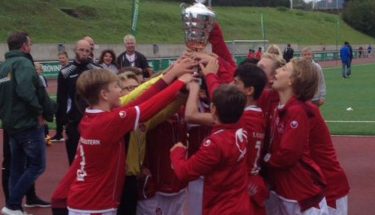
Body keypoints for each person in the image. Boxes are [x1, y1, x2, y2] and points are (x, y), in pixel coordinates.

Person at [52, 63, 193, 215]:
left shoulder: (94, 117)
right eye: (116, 87)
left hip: (87, 201)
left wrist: (170, 76)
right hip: (94, 205)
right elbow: (149, 107)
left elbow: (141, 100)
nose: (121, 91)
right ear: (105, 94)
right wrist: (180, 82)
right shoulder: (108, 122)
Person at [171, 84, 251, 215]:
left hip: (222, 208)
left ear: (213, 108)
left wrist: (177, 152)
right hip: (239, 203)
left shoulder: (215, 143)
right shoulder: (241, 130)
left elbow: (185, 172)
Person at [264, 58, 328, 215]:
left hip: (302, 195)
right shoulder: (280, 108)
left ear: (293, 80)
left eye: (284, 69)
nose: (277, 71)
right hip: (287, 192)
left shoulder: (296, 111)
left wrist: (265, 161)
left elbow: (288, 154)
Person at [0, 32, 55, 215]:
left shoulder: (4, 66)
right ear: (24, 46)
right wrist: (39, 111)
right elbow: (25, 91)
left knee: (17, 166)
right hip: (27, 124)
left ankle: (14, 207)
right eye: (30, 44)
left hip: (11, 125)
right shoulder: (23, 63)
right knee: (37, 166)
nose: (30, 47)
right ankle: (12, 204)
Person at [56, 39, 102, 165]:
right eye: (81, 50)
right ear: (75, 50)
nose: (84, 53)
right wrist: (62, 123)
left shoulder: (97, 70)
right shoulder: (65, 72)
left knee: (93, 158)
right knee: (74, 160)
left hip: (94, 120)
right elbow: (61, 98)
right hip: (73, 121)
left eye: (87, 50)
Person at [51, 51, 70, 142]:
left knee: (67, 116)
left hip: (67, 97)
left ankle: (70, 134)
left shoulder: (70, 69)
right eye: (60, 58)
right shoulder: (61, 69)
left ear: (67, 58)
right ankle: (59, 134)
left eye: (63, 58)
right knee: (58, 114)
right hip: (60, 96)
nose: (61, 60)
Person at [35, 62, 52, 146]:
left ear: (41, 71)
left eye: (37, 69)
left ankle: (47, 138)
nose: (36, 71)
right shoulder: (35, 78)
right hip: (38, 102)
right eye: (34, 69)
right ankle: (42, 138)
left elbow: (44, 91)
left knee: (43, 121)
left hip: (41, 102)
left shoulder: (41, 78)